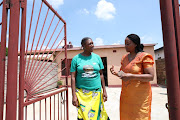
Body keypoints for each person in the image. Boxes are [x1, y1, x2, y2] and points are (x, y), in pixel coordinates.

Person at [110, 34, 154, 120]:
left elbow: (151, 76)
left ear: (136, 44)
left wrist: (132, 76)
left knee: (140, 116)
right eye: (125, 44)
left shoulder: (144, 56)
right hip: (126, 95)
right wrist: (116, 73)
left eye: (128, 44)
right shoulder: (125, 57)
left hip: (140, 96)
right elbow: (124, 74)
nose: (125, 46)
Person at [70, 37, 110, 120]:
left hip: (96, 92)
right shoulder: (76, 59)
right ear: (83, 46)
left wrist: (104, 91)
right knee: (83, 116)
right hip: (81, 94)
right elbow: (73, 77)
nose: (92, 45)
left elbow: (101, 74)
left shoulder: (97, 58)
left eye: (92, 43)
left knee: (98, 115)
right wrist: (74, 95)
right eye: (90, 44)